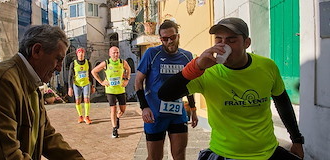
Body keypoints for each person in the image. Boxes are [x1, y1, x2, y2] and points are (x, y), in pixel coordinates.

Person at [158, 17, 305, 160]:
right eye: (218, 40)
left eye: (231, 40)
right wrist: (195, 67)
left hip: (267, 151)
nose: (223, 45)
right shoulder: (207, 72)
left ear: (247, 43)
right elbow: (165, 94)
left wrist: (296, 139)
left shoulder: (267, 66)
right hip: (225, 154)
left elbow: (282, 100)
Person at [0, 25, 84, 159]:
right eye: (58, 59)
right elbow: (6, 155)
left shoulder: (30, 82)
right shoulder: (3, 82)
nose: (59, 68)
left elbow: (47, 137)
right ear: (36, 51)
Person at [135, 20, 199, 160]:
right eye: (165, 39)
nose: (169, 41)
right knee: (155, 157)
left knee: (179, 155)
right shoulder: (152, 53)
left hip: (177, 113)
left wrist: (193, 109)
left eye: (172, 37)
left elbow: (189, 84)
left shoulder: (186, 56)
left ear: (178, 36)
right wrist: (144, 107)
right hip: (155, 114)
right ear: (160, 39)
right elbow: (138, 82)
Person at [91, 46, 131, 138]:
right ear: (109, 54)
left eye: (117, 52)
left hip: (120, 89)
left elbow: (128, 69)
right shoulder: (106, 63)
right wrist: (101, 82)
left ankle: (117, 117)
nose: (116, 54)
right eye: (114, 53)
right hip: (110, 90)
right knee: (113, 109)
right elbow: (94, 71)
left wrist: (127, 79)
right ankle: (114, 129)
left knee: (122, 110)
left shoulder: (122, 62)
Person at [68, 47, 94, 124]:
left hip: (86, 83)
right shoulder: (73, 63)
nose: (81, 54)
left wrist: (93, 85)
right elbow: (70, 76)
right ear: (77, 54)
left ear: (84, 54)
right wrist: (70, 87)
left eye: (82, 52)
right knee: (78, 101)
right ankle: (80, 116)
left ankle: (87, 116)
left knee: (87, 99)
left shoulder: (88, 62)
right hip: (77, 84)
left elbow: (90, 74)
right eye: (79, 52)